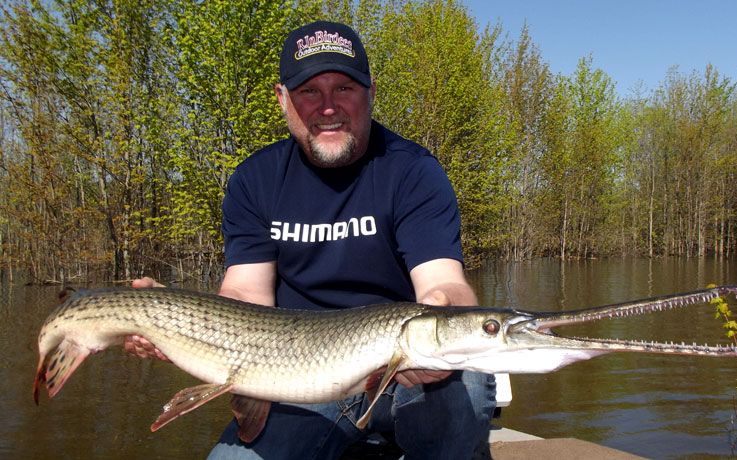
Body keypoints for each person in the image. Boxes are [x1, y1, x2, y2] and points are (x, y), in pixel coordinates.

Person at [131, 20, 495, 459]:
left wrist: (443, 314)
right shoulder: (255, 180)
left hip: (406, 375)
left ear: (370, 92)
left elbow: (445, 282)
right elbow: (245, 294)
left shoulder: (414, 171)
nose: (328, 107)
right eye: (309, 91)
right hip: (296, 376)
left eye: (344, 88)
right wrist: (172, 320)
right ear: (283, 98)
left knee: (466, 370)